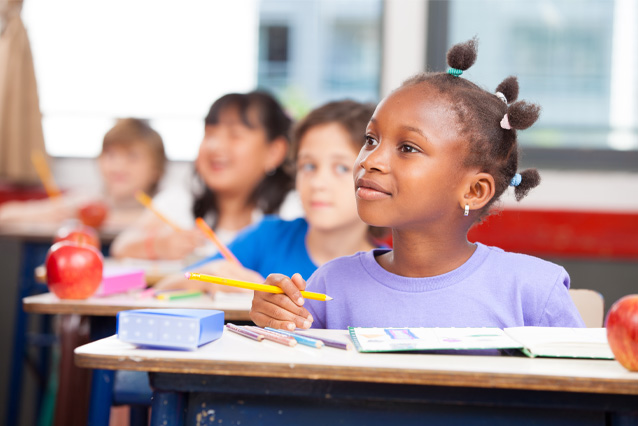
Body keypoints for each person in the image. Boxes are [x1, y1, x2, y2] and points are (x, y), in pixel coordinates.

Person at [249, 38, 585, 331]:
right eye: (370, 139)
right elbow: (296, 385)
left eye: (408, 148)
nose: (370, 160)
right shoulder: (328, 286)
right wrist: (275, 319)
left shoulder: (533, 292)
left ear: (473, 191)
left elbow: (583, 396)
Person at [154, 100, 385, 292]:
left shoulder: (389, 265)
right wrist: (210, 275)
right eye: (308, 166)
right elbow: (165, 288)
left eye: (342, 168)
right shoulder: (267, 237)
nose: (318, 183)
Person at [110, 91, 294, 261]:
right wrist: (158, 245)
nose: (215, 146)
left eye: (234, 135)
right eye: (210, 134)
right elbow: (120, 247)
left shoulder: (291, 212)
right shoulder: (181, 200)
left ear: (274, 152)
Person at [0, 118, 166, 227]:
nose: (118, 166)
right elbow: (6, 214)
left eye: (132, 157)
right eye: (110, 155)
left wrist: (103, 220)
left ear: (156, 170)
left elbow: (156, 223)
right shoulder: (87, 202)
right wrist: (46, 213)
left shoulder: (165, 207)